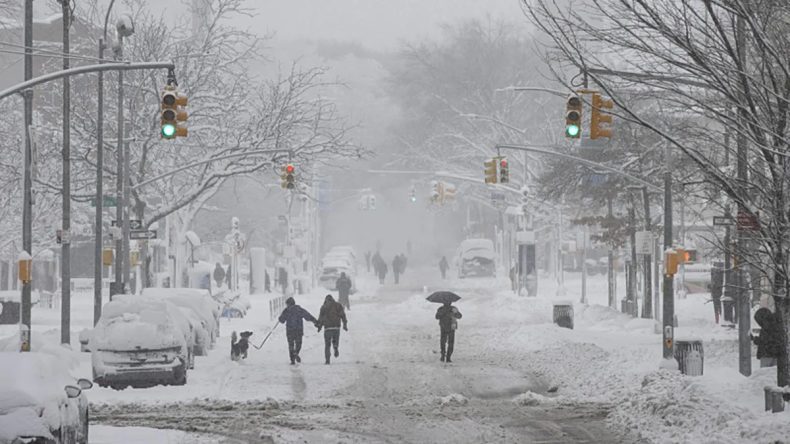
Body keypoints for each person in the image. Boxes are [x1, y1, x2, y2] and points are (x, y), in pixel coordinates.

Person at [278, 297, 318, 365]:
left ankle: (292, 360)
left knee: (291, 345)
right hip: (298, 330)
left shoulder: (286, 311)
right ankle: (296, 352)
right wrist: (315, 321)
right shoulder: (299, 309)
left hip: (290, 331)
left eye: (287, 304)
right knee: (298, 344)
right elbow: (308, 316)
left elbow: (282, 320)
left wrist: (280, 318)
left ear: (289, 304)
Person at [316, 294, 348, 365]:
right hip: (336, 327)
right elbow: (343, 315)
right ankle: (335, 347)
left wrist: (319, 327)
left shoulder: (324, 307)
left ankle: (327, 360)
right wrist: (345, 324)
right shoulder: (338, 305)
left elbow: (321, 318)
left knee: (327, 345)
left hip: (327, 328)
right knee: (335, 340)